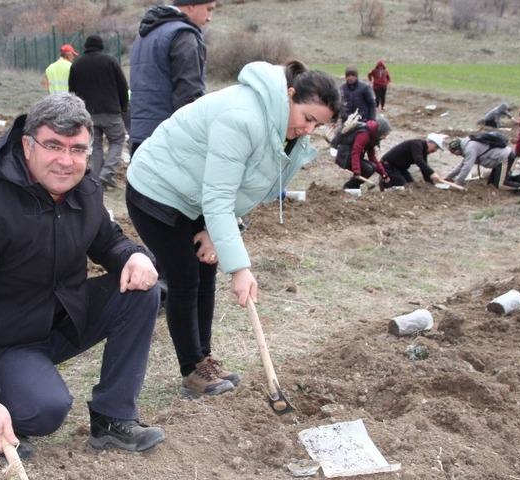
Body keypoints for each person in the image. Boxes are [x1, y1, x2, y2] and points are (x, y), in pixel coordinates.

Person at [0, 93, 164, 457]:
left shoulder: (85, 190)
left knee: (142, 291)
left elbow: (108, 241)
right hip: (4, 340)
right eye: (53, 146)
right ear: (27, 146)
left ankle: (113, 419)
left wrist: (134, 256)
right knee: (45, 410)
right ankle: (5, 404)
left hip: (60, 320)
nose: (66, 161)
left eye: (77, 150)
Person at [126, 61, 339, 397]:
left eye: (319, 125)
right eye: (308, 118)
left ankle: (204, 358)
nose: (309, 129)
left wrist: (220, 231)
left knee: (206, 267)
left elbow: (248, 187)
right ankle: (192, 369)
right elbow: (219, 195)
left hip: (197, 193)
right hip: (157, 188)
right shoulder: (243, 118)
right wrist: (240, 268)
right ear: (290, 94)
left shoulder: (282, 130)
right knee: (184, 275)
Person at [129, 0, 216, 154]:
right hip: (167, 142)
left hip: (139, 137)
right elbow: (189, 96)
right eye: (208, 9)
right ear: (192, 5)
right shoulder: (183, 35)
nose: (210, 17)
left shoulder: (144, 35)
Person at [68, 35, 129, 189]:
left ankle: (96, 178)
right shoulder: (110, 61)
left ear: (85, 47)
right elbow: (122, 85)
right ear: (101, 46)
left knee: (95, 146)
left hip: (87, 113)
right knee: (117, 140)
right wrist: (123, 107)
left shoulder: (77, 64)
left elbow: (72, 90)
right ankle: (106, 174)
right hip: (110, 111)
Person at [333, 116, 391, 189]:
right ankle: (349, 186)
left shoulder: (372, 136)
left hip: (351, 157)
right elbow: (355, 152)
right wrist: (356, 171)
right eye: (385, 134)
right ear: (380, 131)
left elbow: (372, 158)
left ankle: (354, 186)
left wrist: (384, 174)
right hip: (345, 156)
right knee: (368, 169)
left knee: (373, 167)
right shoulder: (364, 134)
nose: (385, 137)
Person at [444, 136, 520, 189]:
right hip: (500, 161)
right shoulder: (468, 147)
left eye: (455, 153)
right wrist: (449, 177)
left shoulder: (470, 149)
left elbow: (467, 167)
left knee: (500, 184)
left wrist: (458, 182)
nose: (456, 155)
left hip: (505, 158)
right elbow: (462, 165)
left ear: (457, 149)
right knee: (491, 183)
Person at [380, 133, 447, 187]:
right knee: (404, 185)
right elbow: (418, 160)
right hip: (388, 165)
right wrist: (432, 173)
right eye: (436, 147)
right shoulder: (417, 144)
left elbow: (424, 168)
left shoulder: (423, 151)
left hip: (400, 168)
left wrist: (431, 183)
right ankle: (385, 184)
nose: (435, 150)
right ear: (431, 142)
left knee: (412, 185)